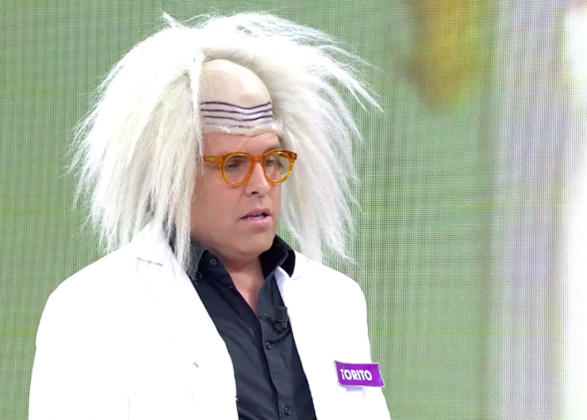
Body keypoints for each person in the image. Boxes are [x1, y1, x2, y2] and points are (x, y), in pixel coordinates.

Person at [29, 11, 390, 420]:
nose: (261, 184)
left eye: (272, 159)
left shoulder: (337, 300)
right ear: (171, 175)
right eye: (233, 164)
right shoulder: (92, 309)